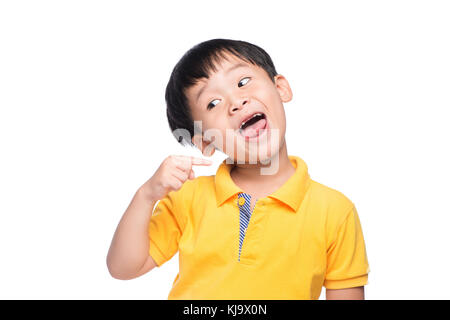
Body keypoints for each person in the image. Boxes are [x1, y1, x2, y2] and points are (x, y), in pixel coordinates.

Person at [106, 38, 370, 300]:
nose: (236, 102)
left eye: (243, 82)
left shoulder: (334, 210)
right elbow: (123, 268)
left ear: (281, 88)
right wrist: (147, 195)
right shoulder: (187, 198)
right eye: (213, 103)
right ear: (205, 141)